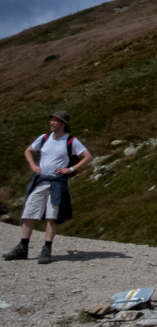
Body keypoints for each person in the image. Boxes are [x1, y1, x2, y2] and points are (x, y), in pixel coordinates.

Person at [3, 111, 93, 264]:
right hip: (40, 181)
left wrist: (69, 170)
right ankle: (22, 247)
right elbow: (28, 150)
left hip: (57, 183)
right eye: (52, 120)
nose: (52, 123)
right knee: (28, 213)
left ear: (64, 124)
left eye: (56, 121)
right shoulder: (44, 138)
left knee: (52, 216)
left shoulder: (71, 141)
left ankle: (46, 249)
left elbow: (88, 157)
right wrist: (33, 165)